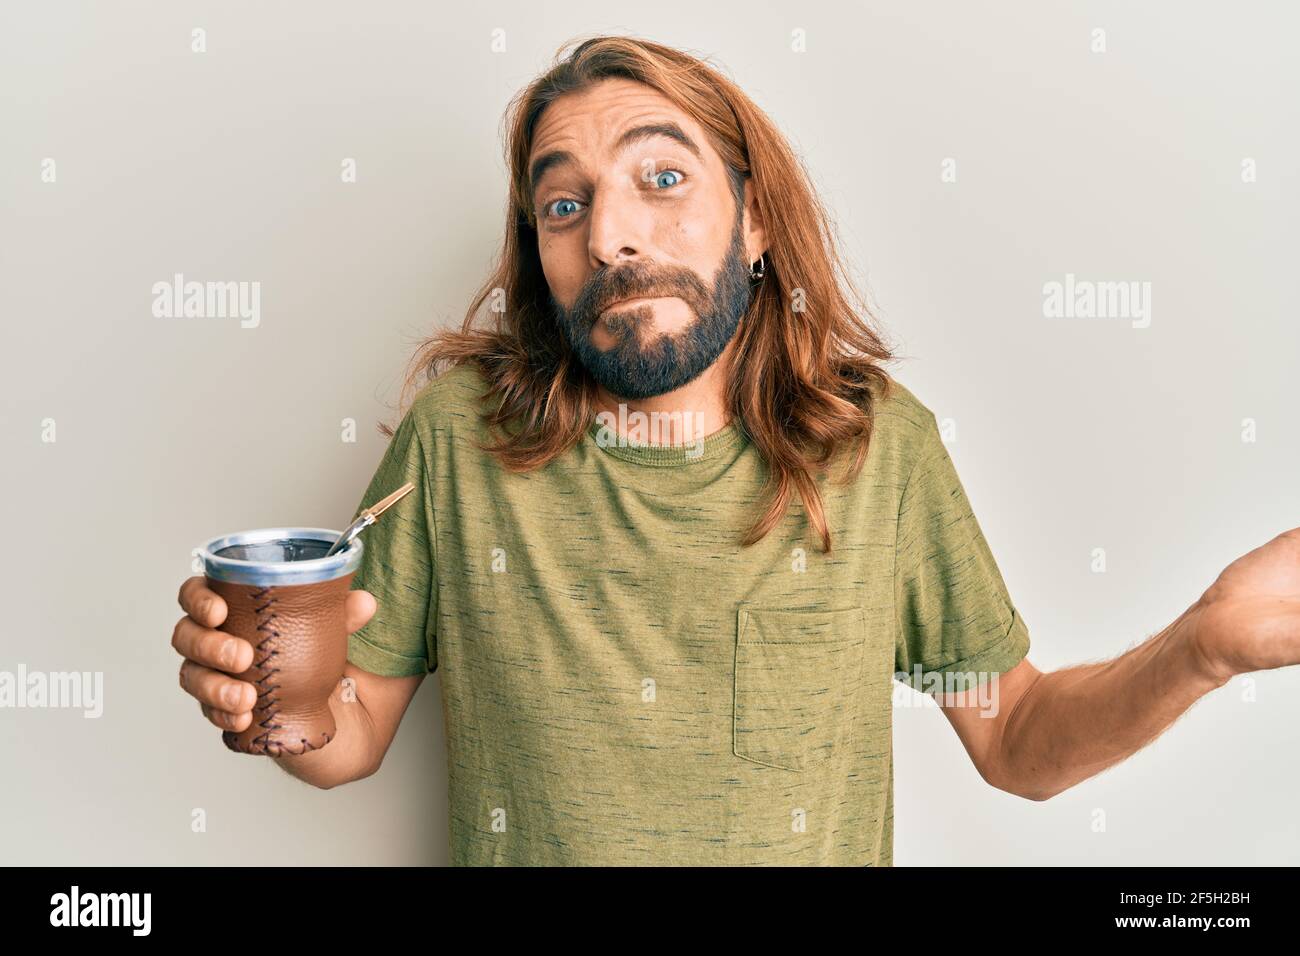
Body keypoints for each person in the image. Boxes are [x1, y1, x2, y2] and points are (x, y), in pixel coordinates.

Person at [171, 35, 1300, 865]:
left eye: (661, 178)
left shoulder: (875, 453)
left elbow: (1015, 738)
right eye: (562, 205)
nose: (610, 229)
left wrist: (1204, 642)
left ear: (755, 221)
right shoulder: (459, 445)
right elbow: (348, 733)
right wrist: (270, 701)